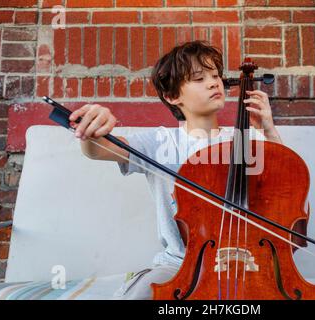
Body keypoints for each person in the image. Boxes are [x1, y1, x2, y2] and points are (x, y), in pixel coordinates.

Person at [68, 40, 283, 299]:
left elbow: (286, 189)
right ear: (172, 96)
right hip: (177, 264)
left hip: (247, 259)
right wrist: (93, 130)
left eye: (216, 76)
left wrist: (268, 130)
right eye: (199, 78)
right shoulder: (161, 143)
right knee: (139, 296)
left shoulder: (247, 140)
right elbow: (100, 150)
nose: (214, 83)